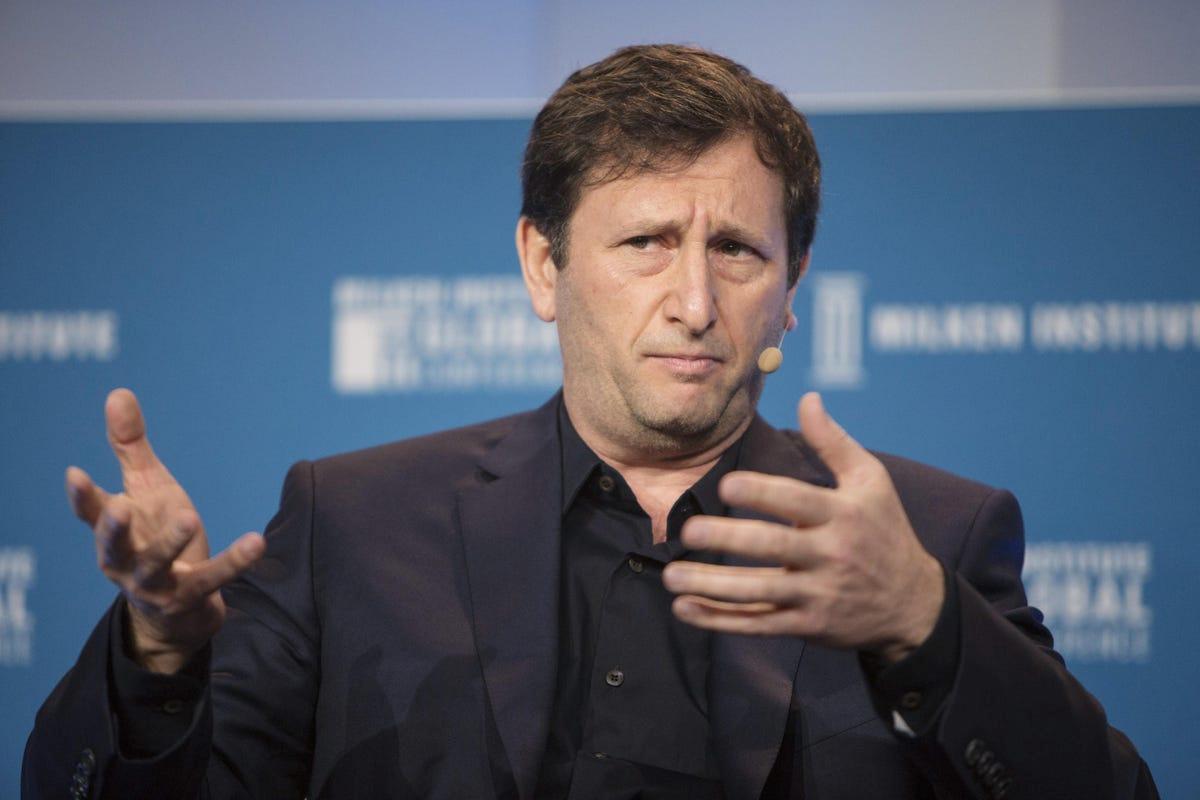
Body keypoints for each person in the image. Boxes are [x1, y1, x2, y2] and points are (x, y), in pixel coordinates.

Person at [23, 44, 1156, 800]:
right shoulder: (353, 523)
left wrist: (922, 620)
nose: (695, 300)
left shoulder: (926, 534)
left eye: (736, 249)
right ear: (543, 263)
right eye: (647, 242)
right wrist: (158, 657)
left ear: (793, 284)